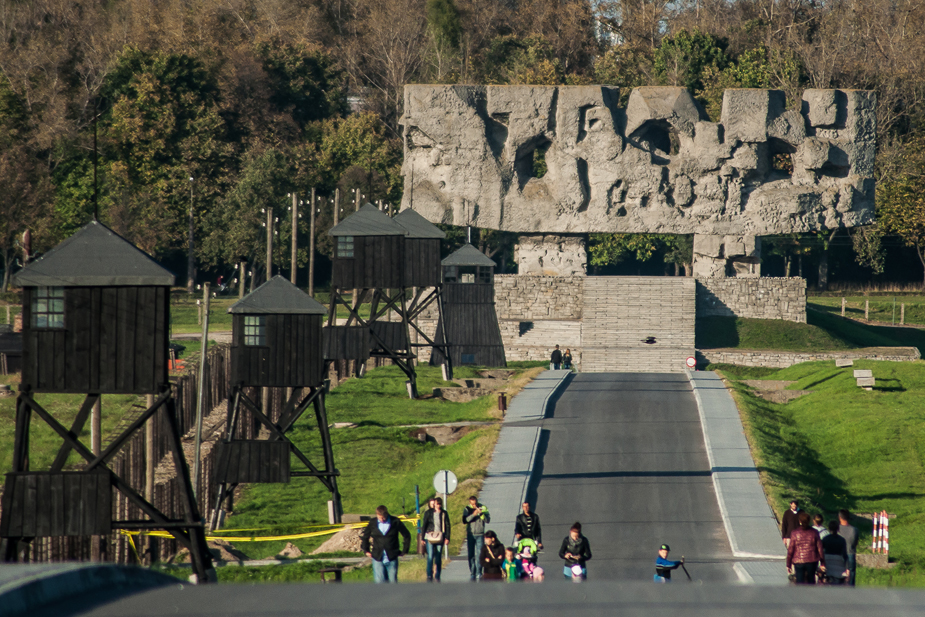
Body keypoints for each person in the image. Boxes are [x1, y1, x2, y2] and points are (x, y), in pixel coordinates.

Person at [360, 505, 412, 583]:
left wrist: (405, 550)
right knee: (379, 582)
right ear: (377, 515)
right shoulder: (373, 523)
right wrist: (366, 550)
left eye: (383, 518)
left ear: (387, 514)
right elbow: (365, 536)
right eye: (380, 518)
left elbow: (407, 535)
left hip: (391, 556)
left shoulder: (395, 522)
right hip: (378, 556)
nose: (382, 520)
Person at [787, 511, 825, 585]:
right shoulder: (814, 532)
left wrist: (788, 564)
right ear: (809, 521)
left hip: (798, 561)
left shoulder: (794, 533)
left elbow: (791, 549)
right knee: (811, 581)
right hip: (812, 561)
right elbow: (820, 548)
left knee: (800, 581)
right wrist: (822, 563)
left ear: (800, 521)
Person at [421, 496, 451, 582]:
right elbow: (425, 525)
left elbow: (448, 525)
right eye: (437, 504)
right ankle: (429, 574)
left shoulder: (444, 513)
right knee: (430, 556)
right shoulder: (428, 513)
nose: (438, 505)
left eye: (439, 504)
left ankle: (437, 574)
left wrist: (447, 537)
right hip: (430, 536)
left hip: (440, 536)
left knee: (438, 556)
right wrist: (423, 538)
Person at [462, 496, 490, 580]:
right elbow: (464, 520)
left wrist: (481, 514)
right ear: (470, 503)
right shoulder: (467, 509)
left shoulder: (483, 507)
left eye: (475, 503)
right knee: (471, 554)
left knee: (480, 554)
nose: (474, 505)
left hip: (480, 534)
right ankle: (472, 572)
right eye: (472, 504)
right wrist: (473, 514)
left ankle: (479, 572)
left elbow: (487, 520)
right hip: (471, 534)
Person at [820, 520, 849, 585]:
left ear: (829, 528)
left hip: (827, 562)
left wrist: (821, 564)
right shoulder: (842, 540)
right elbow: (845, 555)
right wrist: (847, 568)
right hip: (838, 563)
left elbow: (821, 552)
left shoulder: (825, 539)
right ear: (838, 528)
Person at [838, 509, 859, 586]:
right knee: (851, 575)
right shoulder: (854, 530)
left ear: (839, 517)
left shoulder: (837, 529)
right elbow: (855, 543)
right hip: (850, 553)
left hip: (839, 554)